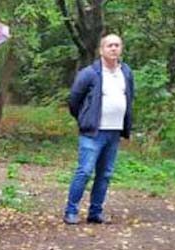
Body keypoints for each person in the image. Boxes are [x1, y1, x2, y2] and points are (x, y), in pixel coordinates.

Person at [63, 33, 135, 225]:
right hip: (92, 132)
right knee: (85, 171)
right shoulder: (89, 73)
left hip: (114, 131)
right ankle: (71, 211)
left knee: (105, 174)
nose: (114, 48)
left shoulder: (126, 72)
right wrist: (84, 119)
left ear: (121, 49)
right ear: (101, 50)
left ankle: (95, 212)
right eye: (110, 45)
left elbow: (130, 97)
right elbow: (74, 100)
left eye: (117, 45)